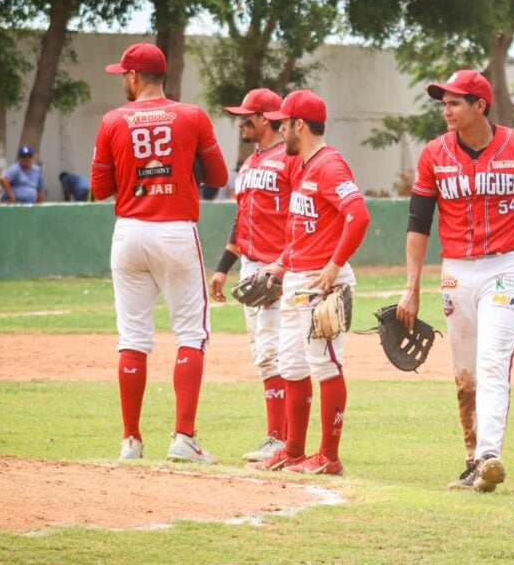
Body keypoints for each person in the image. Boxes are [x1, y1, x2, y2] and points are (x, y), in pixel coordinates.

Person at [396, 70, 514, 493]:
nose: (446, 110)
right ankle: (472, 460)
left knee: (492, 361)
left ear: (480, 106)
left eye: (454, 102)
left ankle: (490, 454)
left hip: (504, 267)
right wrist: (411, 287)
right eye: (444, 102)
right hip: (455, 270)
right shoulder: (433, 154)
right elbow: (418, 223)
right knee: (464, 371)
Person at [90, 42, 229, 464]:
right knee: (190, 335)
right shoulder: (191, 116)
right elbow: (219, 176)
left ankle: (131, 441)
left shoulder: (112, 120)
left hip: (129, 231)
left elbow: (100, 189)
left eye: (123, 76)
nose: (122, 82)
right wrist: (184, 164)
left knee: (132, 337)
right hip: (174, 231)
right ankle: (183, 437)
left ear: (134, 77)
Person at [247, 89, 370, 476]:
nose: (280, 130)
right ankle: (294, 450)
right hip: (297, 279)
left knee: (325, 365)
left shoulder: (330, 166)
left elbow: (358, 215)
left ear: (299, 125)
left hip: (321, 281)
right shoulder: (301, 165)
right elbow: (303, 227)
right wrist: (281, 265)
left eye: (283, 123)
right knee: (292, 365)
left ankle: (329, 457)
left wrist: (335, 266)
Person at [209, 87, 297, 463]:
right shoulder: (249, 164)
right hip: (249, 266)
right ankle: (277, 437)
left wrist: (283, 268)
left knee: (278, 352)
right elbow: (241, 218)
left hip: (277, 267)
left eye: (247, 115)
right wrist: (222, 268)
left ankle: (283, 440)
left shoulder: (289, 160)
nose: (241, 121)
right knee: (264, 355)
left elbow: (301, 216)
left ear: (265, 118)